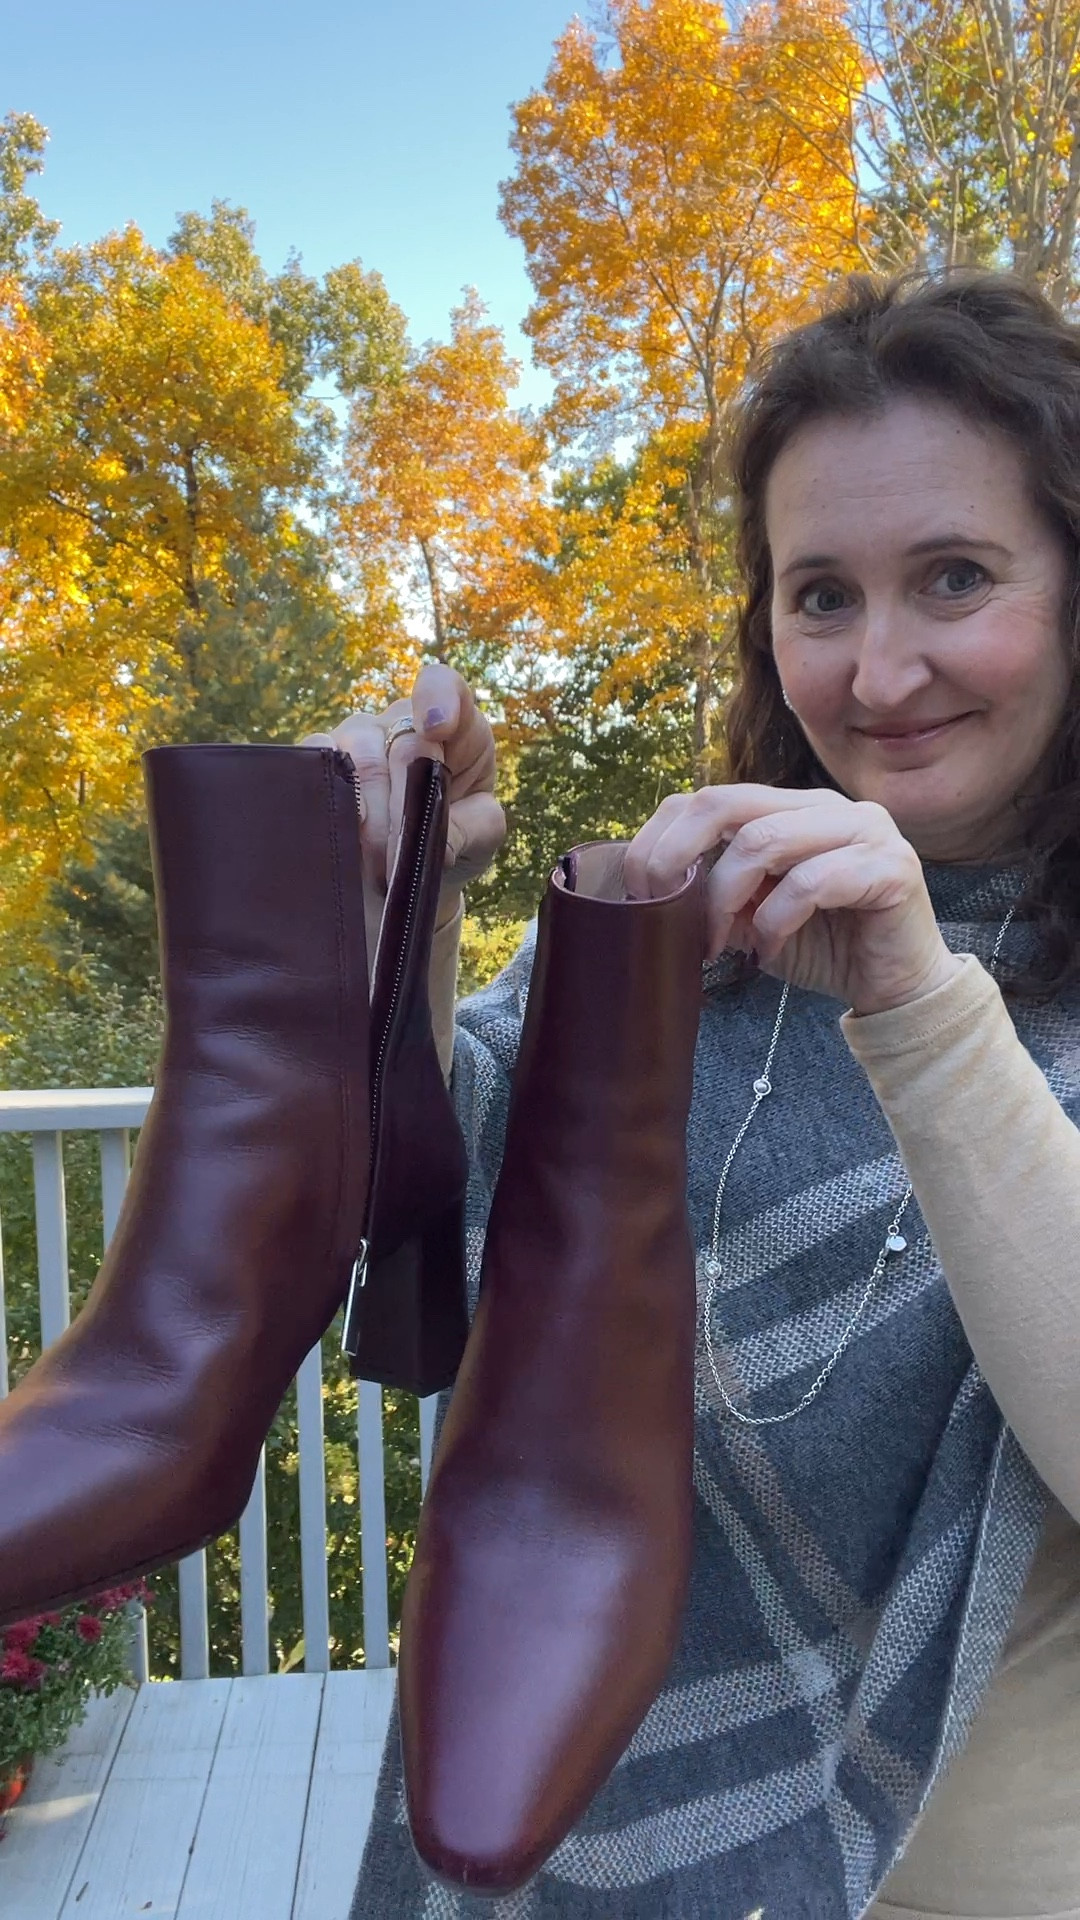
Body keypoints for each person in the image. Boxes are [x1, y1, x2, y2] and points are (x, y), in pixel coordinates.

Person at [307, 270, 1080, 1918]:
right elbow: (417, 1274)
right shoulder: (684, 921)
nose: (880, 674)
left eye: (954, 578)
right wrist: (404, 938)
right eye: (820, 595)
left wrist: (924, 1010)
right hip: (561, 1847)